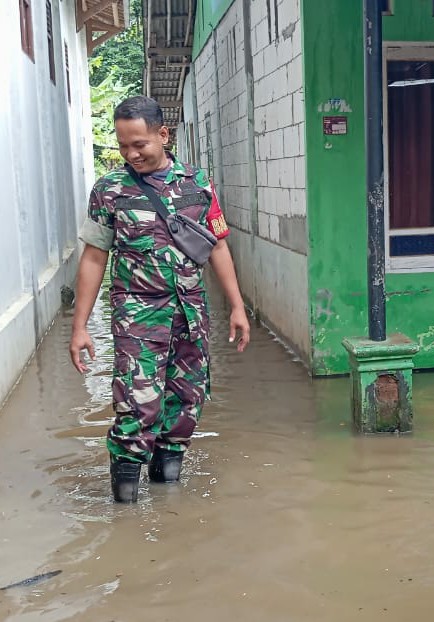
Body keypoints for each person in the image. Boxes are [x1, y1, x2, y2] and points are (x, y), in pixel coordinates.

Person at [69, 96, 251, 504]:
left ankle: (169, 493)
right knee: (136, 404)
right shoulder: (110, 190)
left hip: (191, 312)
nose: (131, 154)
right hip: (136, 314)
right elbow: (95, 256)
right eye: (123, 146)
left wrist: (237, 306)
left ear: (163, 135)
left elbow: (217, 247)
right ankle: (125, 503)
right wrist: (80, 326)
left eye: (140, 144)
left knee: (187, 400)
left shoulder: (197, 184)